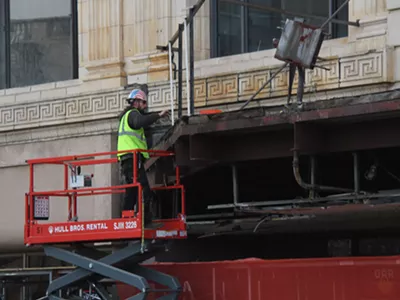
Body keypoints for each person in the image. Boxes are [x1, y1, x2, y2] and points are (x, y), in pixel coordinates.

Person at [117, 86, 169, 225]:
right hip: (132, 158)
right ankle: (145, 219)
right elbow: (141, 121)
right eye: (143, 103)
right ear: (137, 102)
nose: (144, 107)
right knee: (143, 187)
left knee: (133, 189)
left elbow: (143, 120)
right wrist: (158, 115)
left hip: (128, 158)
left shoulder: (127, 116)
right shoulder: (133, 114)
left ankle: (126, 217)